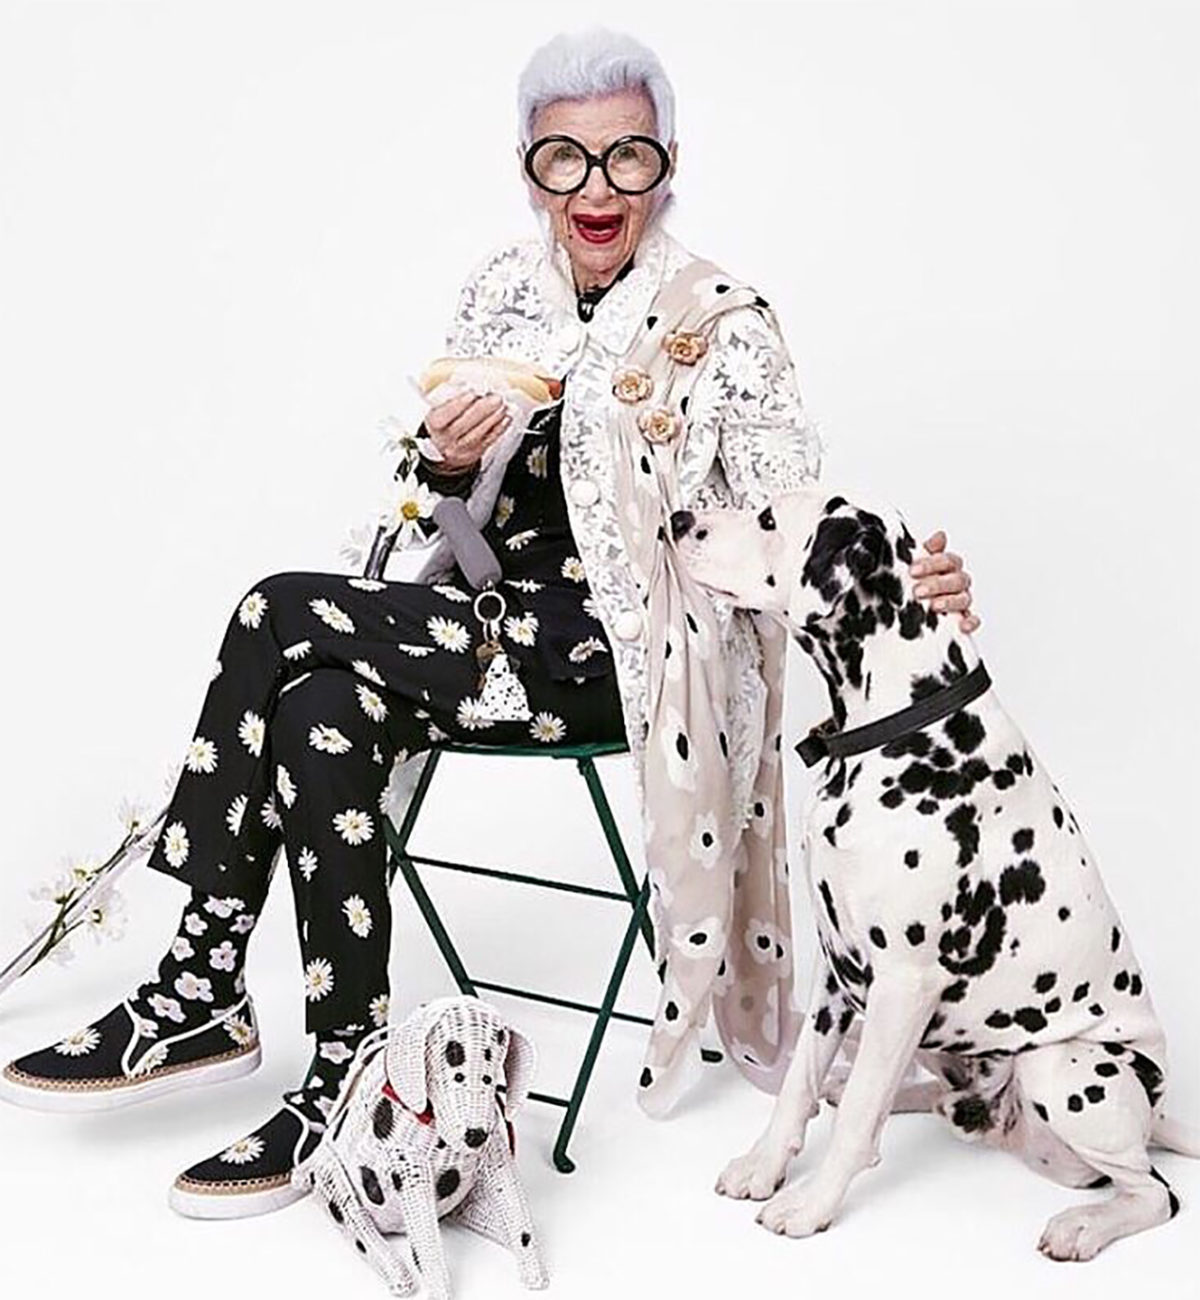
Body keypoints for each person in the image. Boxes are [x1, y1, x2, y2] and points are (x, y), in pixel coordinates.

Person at [0, 28, 975, 1217]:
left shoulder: (722, 323)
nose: (597, 188)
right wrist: (447, 460)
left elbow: (795, 516)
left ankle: (199, 982)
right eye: (565, 158)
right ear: (529, 170)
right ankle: (347, 1070)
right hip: (481, 625)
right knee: (314, 702)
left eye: (627, 156)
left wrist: (914, 578)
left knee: (274, 607)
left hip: (620, 654)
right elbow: (442, 509)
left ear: (669, 165)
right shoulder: (502, 290)